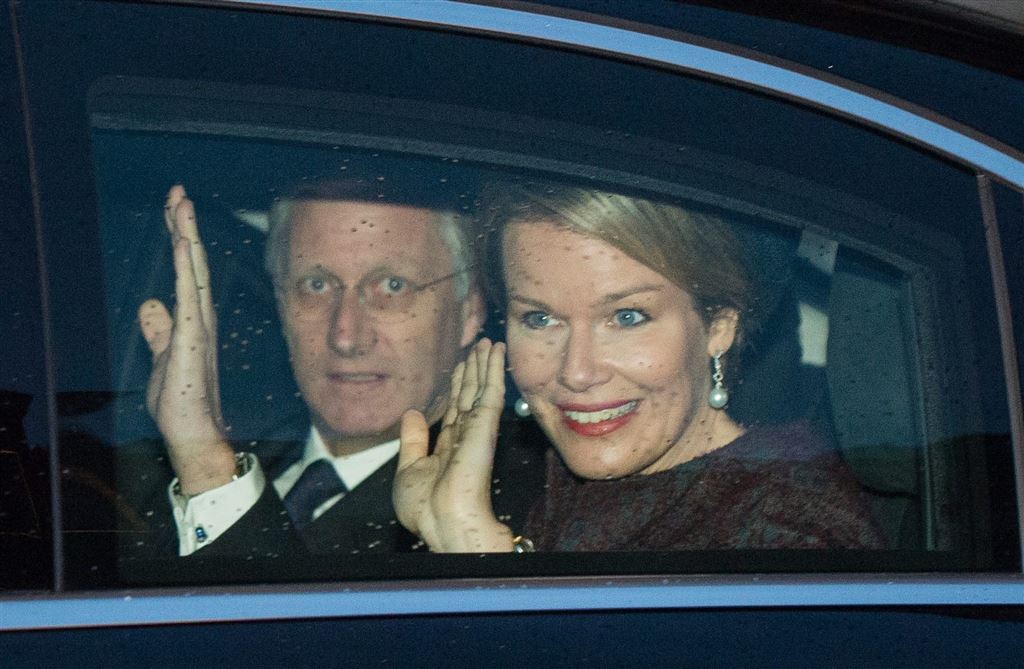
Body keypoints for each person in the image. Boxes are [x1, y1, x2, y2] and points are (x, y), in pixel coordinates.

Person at [394, 183, 884, 552]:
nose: (577, 372)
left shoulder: (791, 532)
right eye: (540, 319)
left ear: (718, 326)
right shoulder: (559, 490)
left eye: (627, 317)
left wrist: (474, 547)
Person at [130, 180, 543, 558]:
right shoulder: (168, 476)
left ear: (470, 310)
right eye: (316, 285)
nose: (346, 336)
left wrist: (207, 467)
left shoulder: (508, 511)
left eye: (392, 286)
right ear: (280, 304)